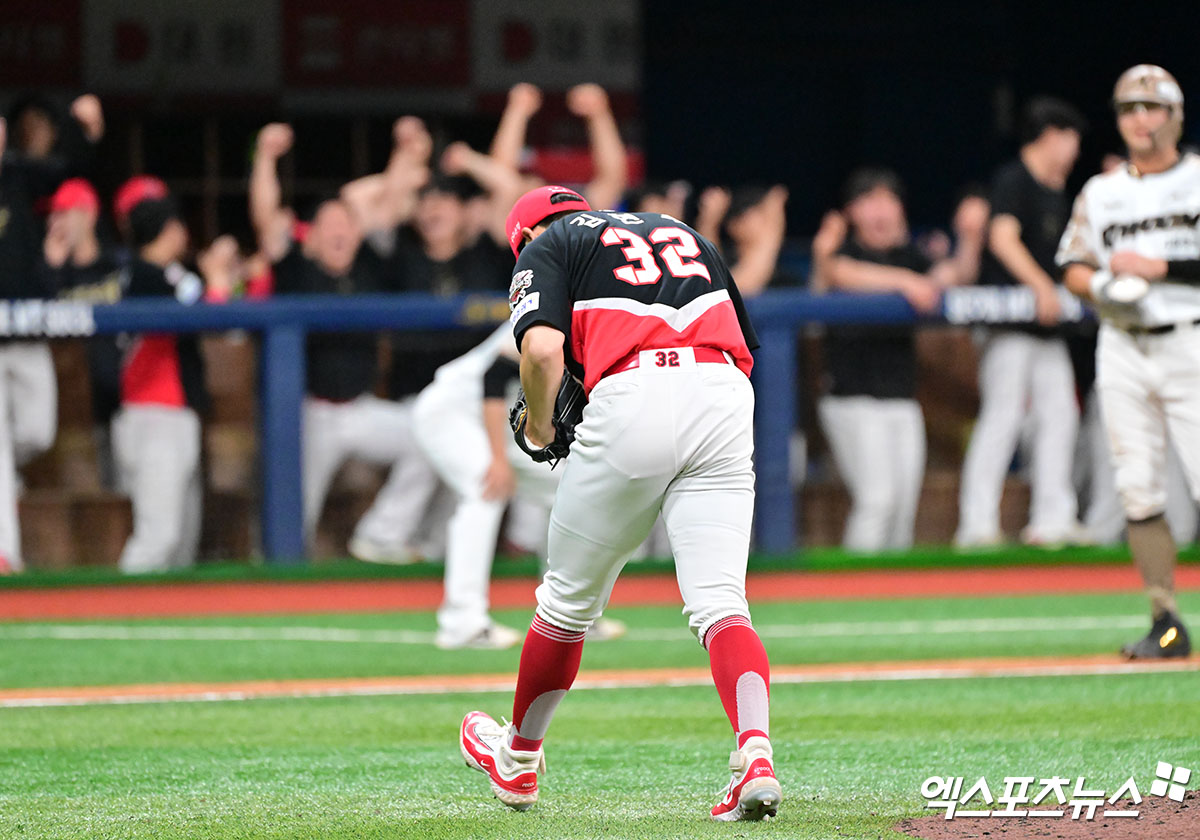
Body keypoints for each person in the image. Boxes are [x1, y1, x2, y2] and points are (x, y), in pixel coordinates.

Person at [460, 186, 781, 821]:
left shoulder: (549, 241)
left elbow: (542, 350)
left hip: (636, 390)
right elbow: (744, 343)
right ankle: (756, 756)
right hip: (723, 393)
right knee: (721, 602)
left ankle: (517, 760)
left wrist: (541, 427)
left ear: (525, 237)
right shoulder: (680, 230)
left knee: (565, 605)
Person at [1058, 64, 1200, 659]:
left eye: (1151, 107)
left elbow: (1156, 266)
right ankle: (1165, 622)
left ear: (1176, 115)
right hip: (1122, 343)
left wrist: (1160, 269)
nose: (1140, 119)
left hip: (1190, 337)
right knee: (1136, 486)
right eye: (1128, 109)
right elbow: (1073, 265)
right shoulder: (1102, 191)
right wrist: (1102, 286)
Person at [250, 122, 439, 559]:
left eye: (347, 223)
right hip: (310, 414)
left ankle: (382, 533)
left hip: (359, 409)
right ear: (311, 235)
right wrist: (265, 157)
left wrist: (406, 152)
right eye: (329, 224)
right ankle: (275, 575)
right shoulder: (296, 266)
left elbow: (389, 203)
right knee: (293, 515)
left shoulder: (368, 264)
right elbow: (266, 218)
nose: (340, 231)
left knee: (433, 438)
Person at [810, 169, 986, 551]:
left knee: (903, 508)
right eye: (869, 201)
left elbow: (951, 275)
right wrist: (906, 283)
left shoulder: (909, 256)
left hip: (902, 398)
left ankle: (889, 589)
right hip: (851, 398)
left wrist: (970, 237)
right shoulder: (841, 251)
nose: (880, 211)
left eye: (887, 200)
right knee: (877, 500)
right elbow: (838, 274)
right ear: (851, 211)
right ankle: (854, 585)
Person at [956, 98, 1089, 548]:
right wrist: (1041, 286)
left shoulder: (1056, 191)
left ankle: (1053, 519)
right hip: (1010, 323)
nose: (1074, 151)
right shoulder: (1014, 179)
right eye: (1070, 139)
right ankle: (977, 525)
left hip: (1047, 328)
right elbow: (1002, 238)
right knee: (1004, 416)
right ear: (1051, 135)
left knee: (1061, 415)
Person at [112, 190, 210, 573]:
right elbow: (197, 308)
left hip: (174, 412)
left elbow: (197, 295)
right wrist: (216, 283)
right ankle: (115, 607)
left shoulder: (171, 274)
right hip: (153, 414)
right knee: (158, 537)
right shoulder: (141, 276)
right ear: (169, 228)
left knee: (181, 543)